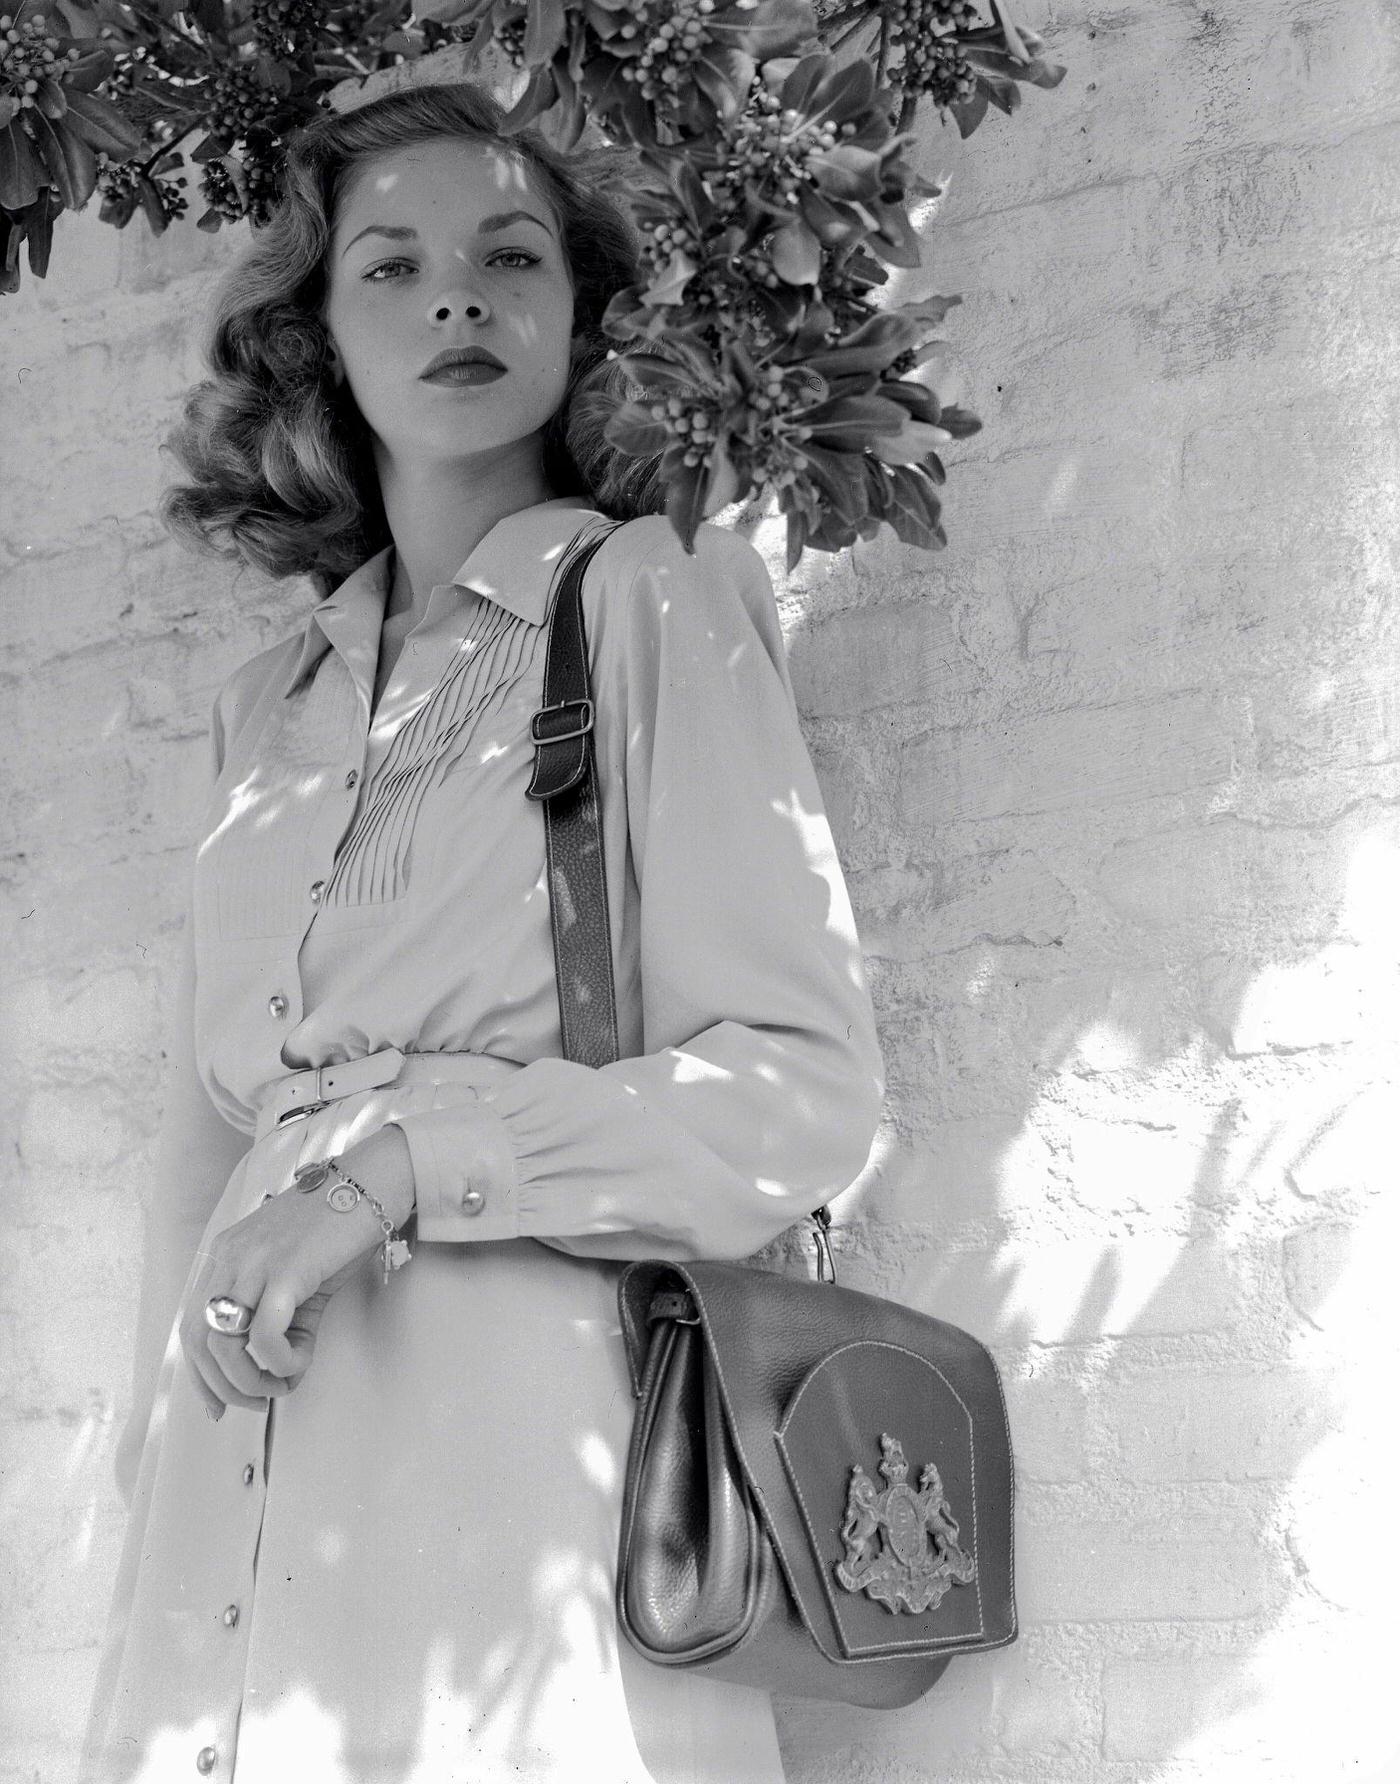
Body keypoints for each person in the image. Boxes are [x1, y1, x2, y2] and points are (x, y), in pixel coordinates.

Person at [77, 76, 886, 1784]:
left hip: (514, 1435)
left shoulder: (649, 593)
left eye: (511, 254)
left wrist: (394, 1170)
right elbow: (197, 1138)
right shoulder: (264, 707)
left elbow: (798, 1089)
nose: (458, 296)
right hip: (237, 1461)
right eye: (392, 266)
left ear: (581, 315)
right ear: (317, 338)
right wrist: (154, 1456)